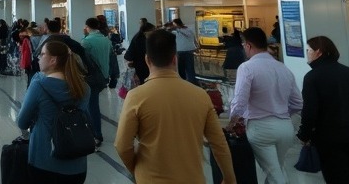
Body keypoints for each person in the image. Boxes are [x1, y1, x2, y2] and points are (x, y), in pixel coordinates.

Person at [115, 30, 236, 184]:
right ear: (175, 59)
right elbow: (218, 143)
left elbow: (122, 145)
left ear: (147, 60)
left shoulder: (136, 97)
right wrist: (229, 178)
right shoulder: (200, 95)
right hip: (193, 178)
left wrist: (137, 169)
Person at [228, 27, 302, 184]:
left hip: (260, 128)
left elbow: (240, 102)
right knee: (278, 168)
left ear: (248, 45)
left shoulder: (246, 68)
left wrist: (231, 123)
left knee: (274, 173)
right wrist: (282, 114)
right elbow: (298, 102)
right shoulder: (283, 68)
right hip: (285, 128)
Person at [16, 40, 91, 182]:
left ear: (53, 60)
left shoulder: (38, 85)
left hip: (44, 161)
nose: (38, 57)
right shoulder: (84, 88)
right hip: (77, 163)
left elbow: (22, 121)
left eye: (42, 54)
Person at [297, 36, 349, 183]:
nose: (307, 54)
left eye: (308, 50)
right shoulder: (346, 71)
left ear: (318, 52)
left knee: (335, 174)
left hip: (328, 137)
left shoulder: (312, 77)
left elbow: (310, 110)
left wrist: (304, 134)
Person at [80, 17, 110, 146]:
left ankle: (96, 134)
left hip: (91, 78)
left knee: (91, 106)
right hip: (103, 76)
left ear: (87, 27)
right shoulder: (106, 40)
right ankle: (93, 131)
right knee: (92, 104)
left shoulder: (86, 42)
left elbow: (81, 62)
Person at [171, 18, 198, 84]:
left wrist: (178, 29)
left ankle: (191, 83)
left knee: (190, 69)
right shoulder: (176, 31)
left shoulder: (187, 30)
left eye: (174, 24)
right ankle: (183, 82)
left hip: (188, 51)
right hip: (180, 51)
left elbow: (189, 36)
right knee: (181, 69)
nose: (174, 26)